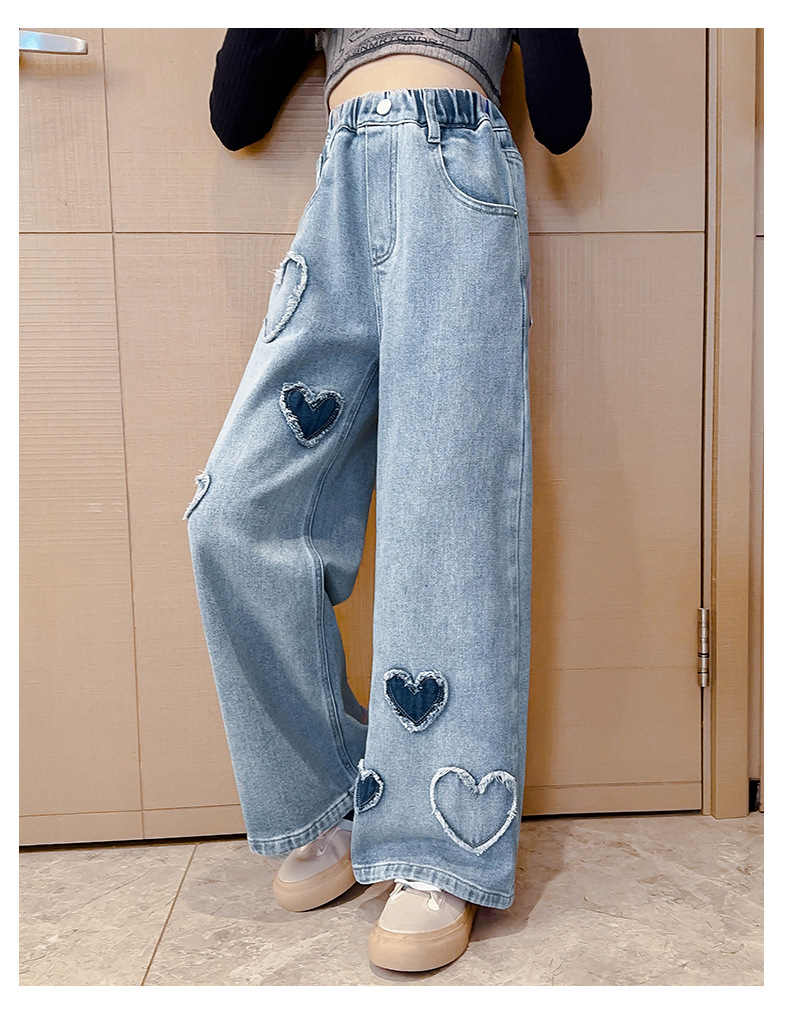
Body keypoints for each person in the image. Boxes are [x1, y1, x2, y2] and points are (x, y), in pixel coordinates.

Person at [187, 28, 592, 973]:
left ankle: (437, 843)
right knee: (235, 515)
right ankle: (338, 798)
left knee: (446, 514)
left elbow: (564, 118)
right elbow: (233, 115)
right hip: (340, 190)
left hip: (459, 172)